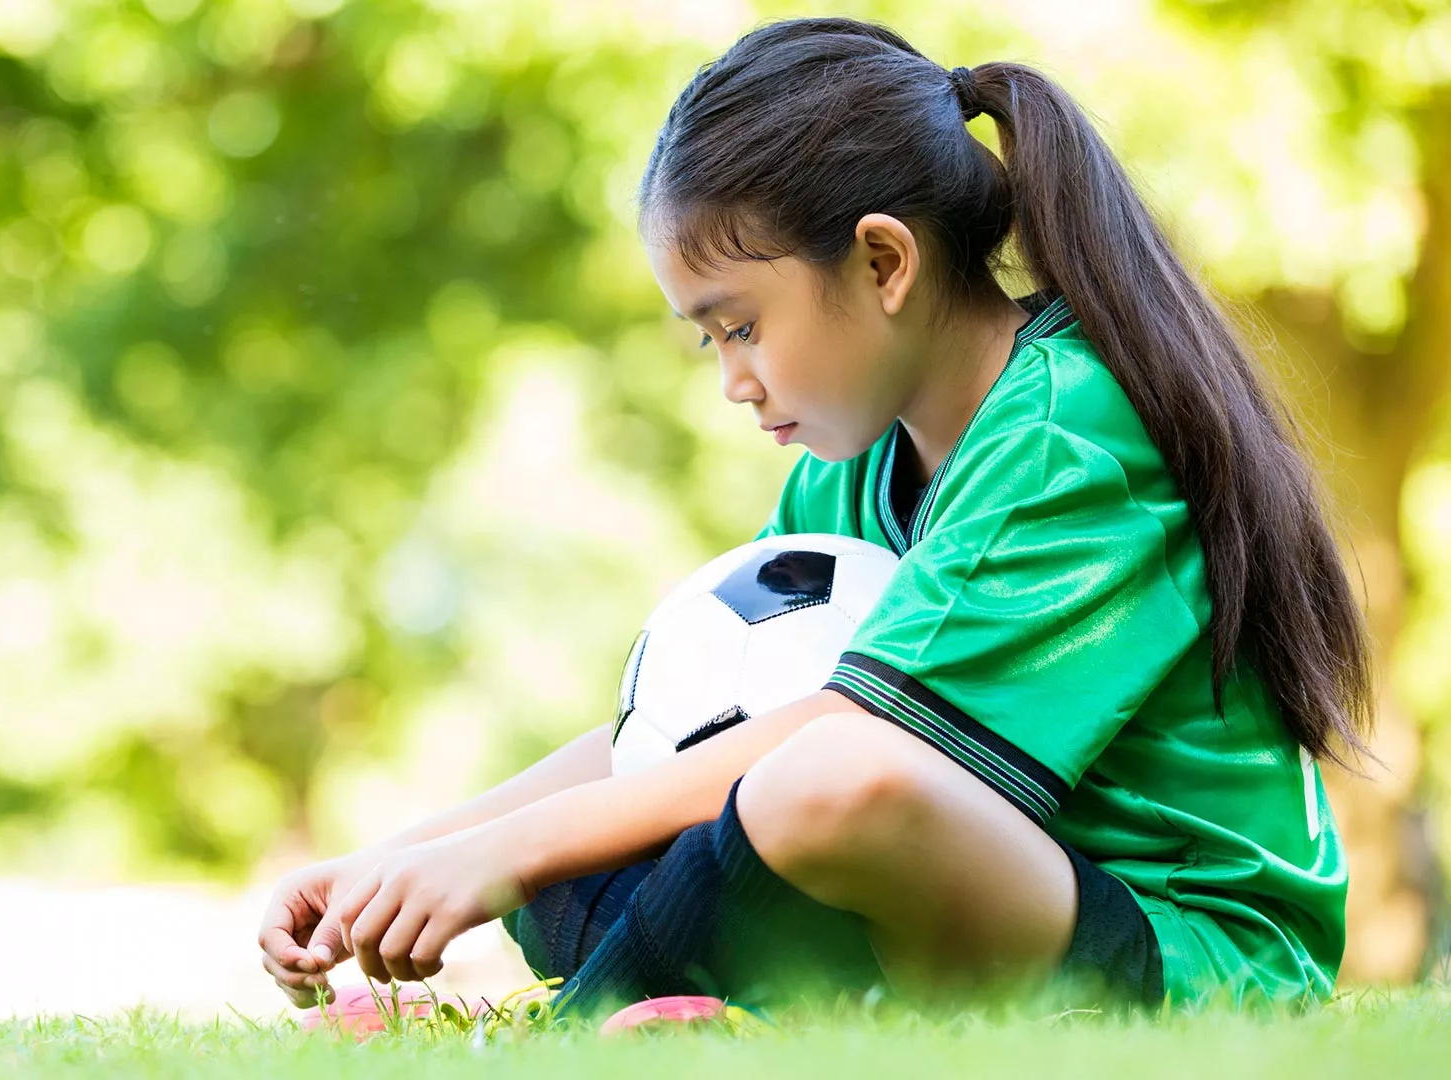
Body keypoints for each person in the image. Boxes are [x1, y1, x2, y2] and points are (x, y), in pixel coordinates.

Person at [256, 16, 1372, 1021]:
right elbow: (678, 733)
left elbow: (855, 746)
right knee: (603, 843)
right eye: (710, 340)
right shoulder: (855, 455)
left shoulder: (1069, 432)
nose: (732, 377)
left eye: (738, 326)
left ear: (883, 262)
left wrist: (499, 856)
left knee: (830, 783)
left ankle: (574, 1027)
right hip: (970, 905)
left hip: (1188, 953)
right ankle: (702, 1011)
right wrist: (406, 858)